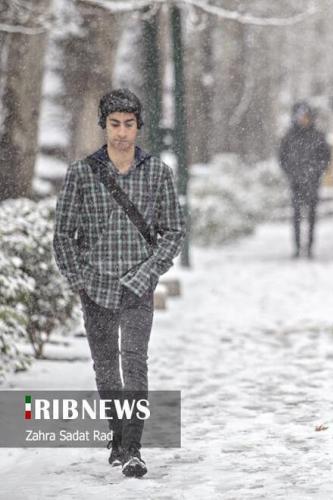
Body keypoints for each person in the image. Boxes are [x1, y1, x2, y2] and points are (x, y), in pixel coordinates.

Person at [53, 88, 185, 478]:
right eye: (114, 124)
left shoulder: (157, 172)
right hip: (95, 285)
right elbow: (63, 233)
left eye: (128, 124)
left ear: (138, 127)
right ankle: (117, 437)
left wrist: (148, 273)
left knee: (135, 363)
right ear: (104, 126)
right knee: (106, 367)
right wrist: (79, 278)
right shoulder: (82, 173)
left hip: (138, 285)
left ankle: (133, 449)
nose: (122, 132)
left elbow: (174, 231)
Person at [279, 102, 331, 259]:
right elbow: (282, 157)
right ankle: (296, 247)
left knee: (311, 216)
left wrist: (316, 172)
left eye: (306, 117)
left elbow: (325, 157)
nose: (304, 120)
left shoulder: (317, 136)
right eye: (301, 117)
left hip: (312, 181)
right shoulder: (289, 136)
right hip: (296, 182)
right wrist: (291, 172)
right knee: (296, 216)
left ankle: (309, 247)